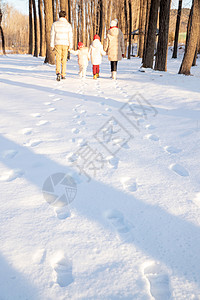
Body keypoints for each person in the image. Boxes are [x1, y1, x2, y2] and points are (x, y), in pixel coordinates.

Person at [50, 10, 73, 81]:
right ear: (65, 16)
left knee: (58, 59)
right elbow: (70, 36)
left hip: (57, 43)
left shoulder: (55, 24)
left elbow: (52, 35)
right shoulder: (68, 25)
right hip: (65, 44)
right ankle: (63, 74)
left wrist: (52, 44)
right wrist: (70, 45)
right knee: (64, 59)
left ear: (59, 16)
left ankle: (58, 72)